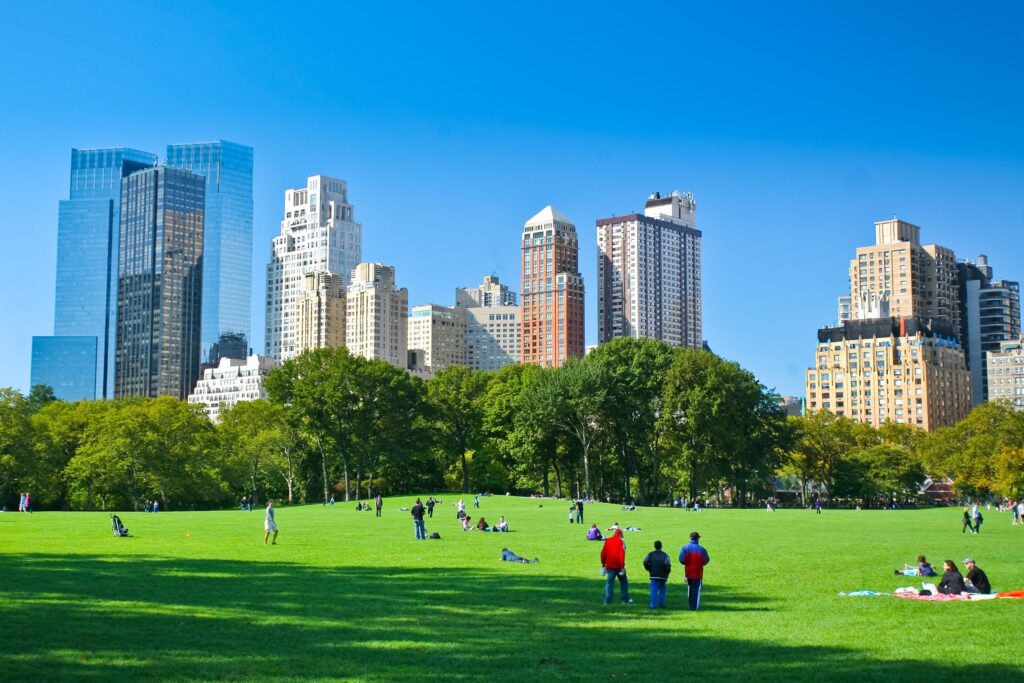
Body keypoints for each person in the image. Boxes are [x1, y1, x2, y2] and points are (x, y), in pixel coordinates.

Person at [600, 528, 632, 605]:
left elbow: (603, 553)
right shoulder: (621, 542)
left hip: (609, 566)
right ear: (620, 534)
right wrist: (622, 567)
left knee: (609, 584)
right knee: (624, 582)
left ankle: (607, 601)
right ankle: (624, 599)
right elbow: (621, 555)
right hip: (618, 566)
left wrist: (603, 564)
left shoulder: (608, 541)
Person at [679, 531, 710, 611]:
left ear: (690, 538)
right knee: (696, 590)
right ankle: (694, 607)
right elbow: (706, 560)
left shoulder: (684, 548)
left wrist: (687, 563)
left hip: (688, 572)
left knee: (690, 587)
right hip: (698, 573)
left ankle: (690, 604)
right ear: (698, 538)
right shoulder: (702, 549)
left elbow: (681, 560)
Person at [643, 540, 672, 609]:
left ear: (654, 546)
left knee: (653, 590)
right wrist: (667, 572)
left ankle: (653, 605)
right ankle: (661, 603)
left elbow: (645, 562)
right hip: (663, 576)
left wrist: (649, 569)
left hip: (653, 575)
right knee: (662, 589)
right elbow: (668, 565)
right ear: (661, 546)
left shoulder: (650, 554)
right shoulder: (665, 555)